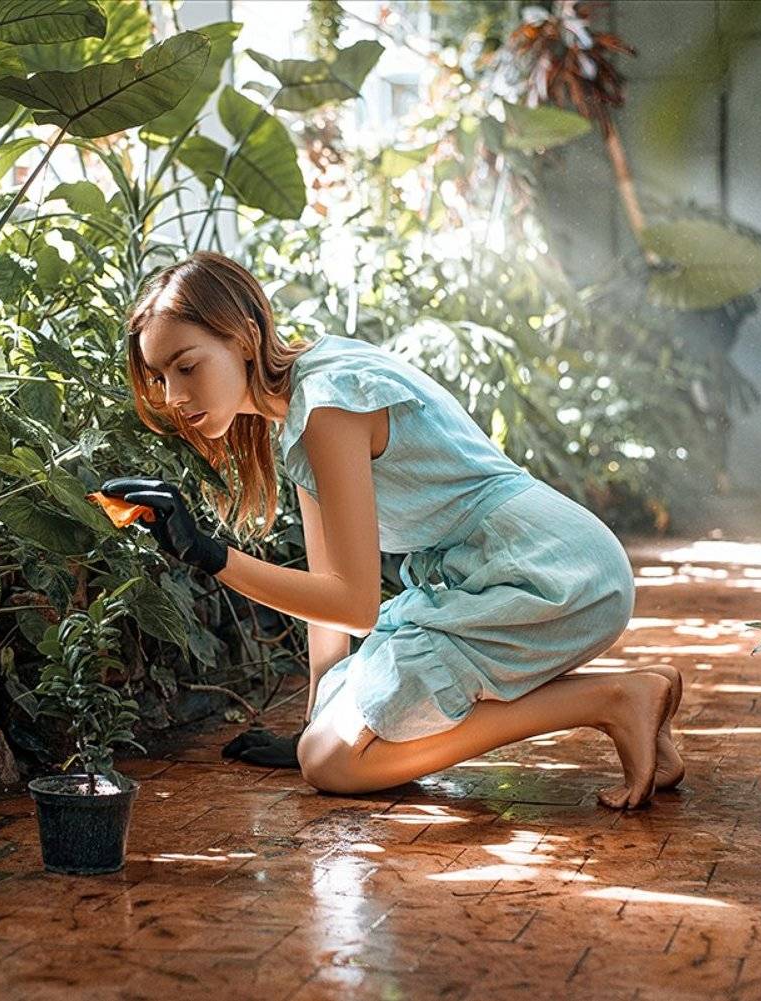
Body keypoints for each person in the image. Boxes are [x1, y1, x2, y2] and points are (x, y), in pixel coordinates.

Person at [101, 251, 684, 809]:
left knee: (333, 764)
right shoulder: (306, 406)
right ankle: (641, 712)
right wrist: (316, 721)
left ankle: (612, 700)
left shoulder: (328, 405)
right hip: (503, 575)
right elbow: (325, 584)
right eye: (160, 376)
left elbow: (352, 605)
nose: (174, 397)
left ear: (244, 337)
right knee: (323, 744)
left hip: (549, 572)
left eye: (186, 365)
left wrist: (207, 554)